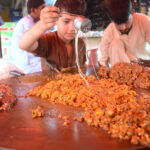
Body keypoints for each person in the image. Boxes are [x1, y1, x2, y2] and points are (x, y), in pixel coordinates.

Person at [19, 0, 87, 71]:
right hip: (50, 81)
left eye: (76, 23)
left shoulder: (80, 43)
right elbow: (24, 45)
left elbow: (82, 66)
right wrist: (42, 25)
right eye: (66, 21)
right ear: (56, 20)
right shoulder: (48, 40)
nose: (72, 28)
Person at [99, 0, 150, 67]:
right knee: (116, 43)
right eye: (118, 24)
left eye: (126, 22)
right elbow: (102, 62)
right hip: (120, 72)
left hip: (143, 67)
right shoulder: (109, 32)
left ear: (132, 12)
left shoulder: (145, 22)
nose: (123, 28)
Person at [11, 0, 46, 74]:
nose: (45, 11)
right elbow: (40, 40)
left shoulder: (37, 22)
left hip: (34, 63)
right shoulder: (26, 22)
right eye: (42, 8)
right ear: (33, 10)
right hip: (28, 65)